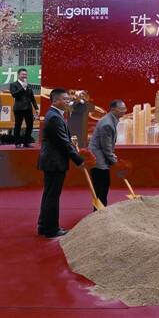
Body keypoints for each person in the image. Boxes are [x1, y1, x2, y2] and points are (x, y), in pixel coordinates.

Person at [37, 88, 84, 238]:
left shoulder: (55, 115)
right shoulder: (54, 117)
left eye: (68, 99)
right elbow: (63, 143)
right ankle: (51, 229)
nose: (68, 102)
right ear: (55, 100)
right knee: (52, 196)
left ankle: (44, 226)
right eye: (65, 99)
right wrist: (79, 160)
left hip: (52, 161)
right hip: (54, 162)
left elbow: (64, 140)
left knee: (49, 195)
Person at [89, 99, 127, 208]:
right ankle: (99, 212)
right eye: (121, 109)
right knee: (101, 188)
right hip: (98, 160)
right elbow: (106, 148)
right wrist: (115, 162)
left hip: (101, 157)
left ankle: (101, 210)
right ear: (113, 109)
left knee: (102, 186)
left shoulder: (111, 119)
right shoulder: (107, 124)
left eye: (125, 108)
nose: (124, 111)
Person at [9, 68, 39, 148]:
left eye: (25, 74)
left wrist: (36, 108)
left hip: (28, 109)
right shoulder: (13, 84)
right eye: (23, 74)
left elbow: (32, 97)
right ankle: (17, 143)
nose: (24, 76)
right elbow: (14, 94)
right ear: (18, 75)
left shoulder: (28, 85)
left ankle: (26, 142)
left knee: (30, 125)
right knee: (18, 125)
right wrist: (23, 87)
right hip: (19, 109)